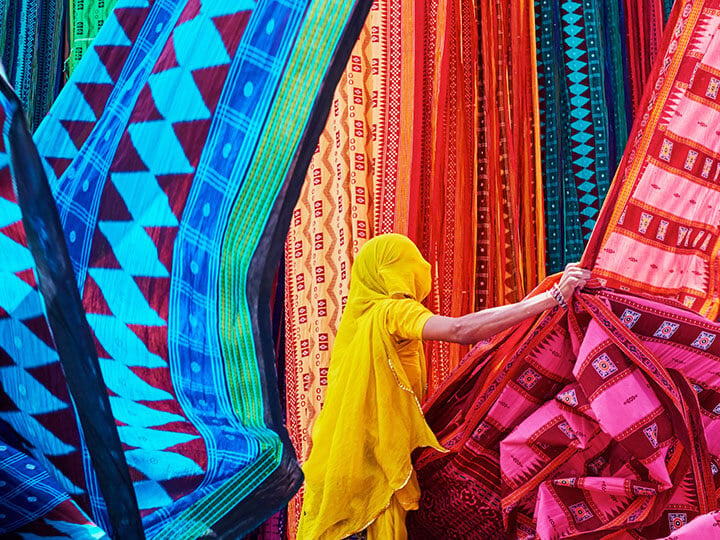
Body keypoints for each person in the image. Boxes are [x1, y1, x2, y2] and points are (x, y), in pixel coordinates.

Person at [296, 233, 590, 540]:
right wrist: (552, 298)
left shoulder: (355, 325)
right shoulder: (390, 312)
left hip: (336, 474)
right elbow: (460, 329)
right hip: (370, 477)